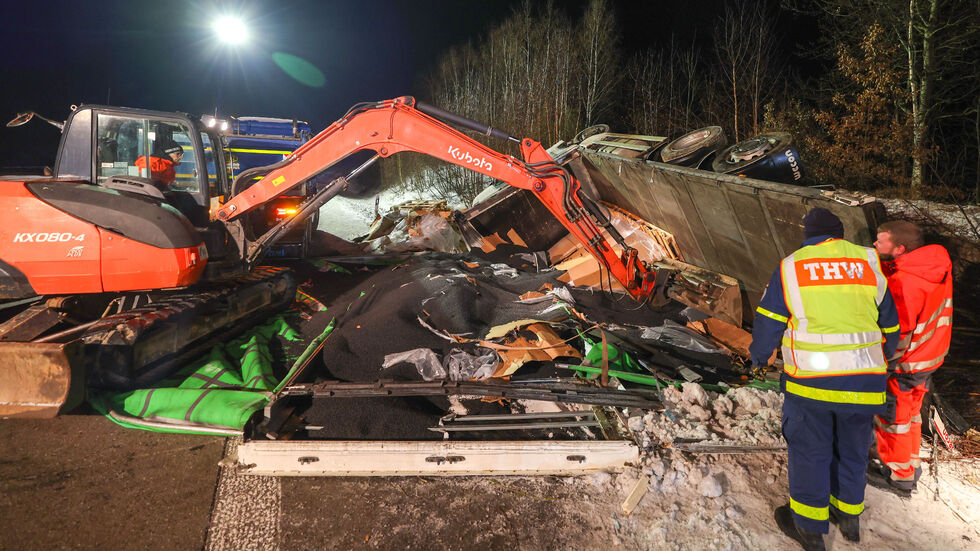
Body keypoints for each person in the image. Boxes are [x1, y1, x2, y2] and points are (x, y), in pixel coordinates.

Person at [750, 207, 899, 551]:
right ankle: (848, 518)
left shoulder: (792, 266)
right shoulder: (868, 262)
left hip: (812, 385)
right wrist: (887, 353)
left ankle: (808, 528)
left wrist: (760, 359)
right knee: (852, 449)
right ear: (839, 233)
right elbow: (889, 322)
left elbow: (769, 320)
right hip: (864, 382)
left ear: (808, 235)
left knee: (811, 451)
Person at [870, 220, 953, 495]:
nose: (874, 244)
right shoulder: (933, 266)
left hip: (907, 362)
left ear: (899, 248)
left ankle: (899, 474)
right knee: (911, 415)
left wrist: (883, 365)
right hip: (930, 356)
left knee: (893, 416)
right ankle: (909, 460)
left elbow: (899, 334)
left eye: (880, 242)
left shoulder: (905, 283)